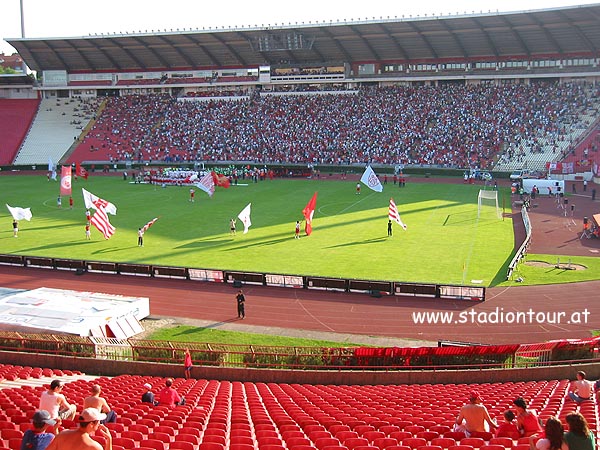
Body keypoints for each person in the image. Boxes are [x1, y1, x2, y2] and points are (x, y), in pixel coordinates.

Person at [45, 408, 111, 450]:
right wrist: (109, 440)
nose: (99, 423)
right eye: (98, 421)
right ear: (91, 424)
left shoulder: (63, 434)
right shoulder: (94, 447)